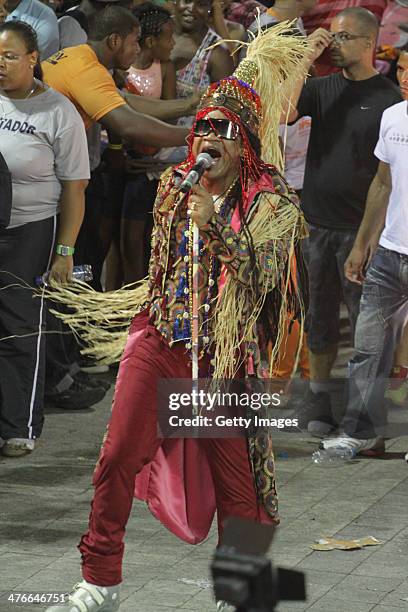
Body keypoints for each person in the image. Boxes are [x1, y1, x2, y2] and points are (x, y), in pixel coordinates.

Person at [44, 24, 308, 612]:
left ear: (245, 141)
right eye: (203, 129)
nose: (209, 140)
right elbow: (162, 270)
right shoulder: (173, 187)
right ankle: (100, 580)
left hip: (224, 360)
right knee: (115, 458)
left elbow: (259, 276)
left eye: (223, 131)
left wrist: (213, 221)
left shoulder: (272, 201)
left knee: (239, 481)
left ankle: (239, 590)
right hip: (163, 336)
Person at [285, 7, 401, 437]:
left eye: (344, 37)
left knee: (366, 323)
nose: (335, 43)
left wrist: (373, 235)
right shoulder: (321, 86)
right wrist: (304, 58)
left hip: (361, 229)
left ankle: (362, 406)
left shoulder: (389, 100)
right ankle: (318, 395)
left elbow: (388, 178)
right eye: (331, 36)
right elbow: (281, 113)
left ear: (369, 42)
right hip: (316, 222)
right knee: (318, 313)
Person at [0, 20, 89, 457]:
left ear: (33, 58)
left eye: (10, 56)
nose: (0, 64)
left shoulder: (57, 110)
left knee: (19, 327)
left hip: (29, 229)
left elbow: (75, 187)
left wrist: (65, 251)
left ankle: (19, 425)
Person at [320, 49, 408, 456]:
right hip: (389, 255)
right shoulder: (393, 117)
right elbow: (381, 184)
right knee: (368, 348)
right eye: (403, 69)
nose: (405, 77)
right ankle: (360, 431)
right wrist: (361, 245)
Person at [121, 2, 178, 284]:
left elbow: (170, 114)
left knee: (146, 233)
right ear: (152, 41)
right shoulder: (123, 68)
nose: (174, 43)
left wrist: (153, 152)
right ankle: (127, 295)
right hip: (122, 160)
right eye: (169, 37)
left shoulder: (165, 68)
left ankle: (147, 291)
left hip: (152, 162)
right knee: (126, 238)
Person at [302, 0, 387, 76]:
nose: (334, 45)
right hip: (313, 78)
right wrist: (306, 59)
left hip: (367, 82)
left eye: (344, 37)